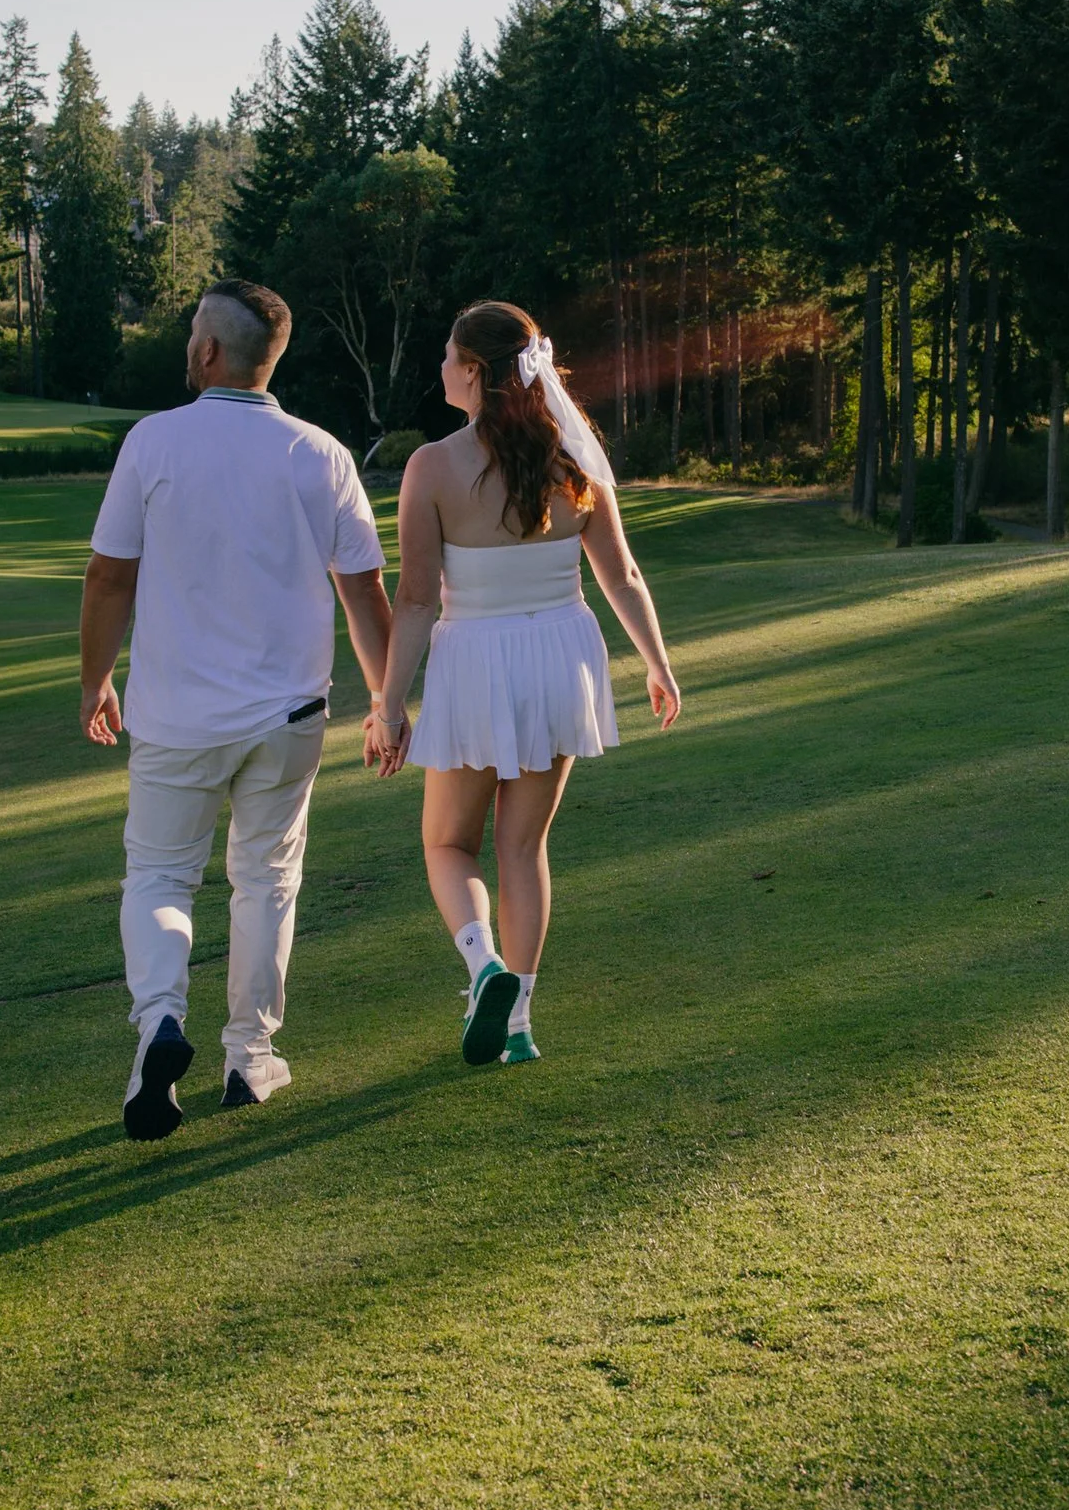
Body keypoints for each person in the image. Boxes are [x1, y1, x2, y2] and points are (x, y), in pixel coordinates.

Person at [81, 280, 392, 1138]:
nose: (189, 343)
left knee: (158, 875)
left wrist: (93, 680)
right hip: (288, 715)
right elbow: (364, 590)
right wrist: (387, 700)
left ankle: (159, 1027)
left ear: (210, 352)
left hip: (176, 715)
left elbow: (110, 575)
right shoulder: (320, 452)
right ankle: (250, 1059)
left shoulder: (153, 442)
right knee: (265, 883)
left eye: (192, 333)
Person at [368, 300, 680, 1066]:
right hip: (559, 658)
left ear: (473, 371)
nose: (440, 367)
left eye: (447, 355)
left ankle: (485, 968)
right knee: (523, 845)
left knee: (447, 842)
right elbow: (623, 576)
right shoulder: (572, 459)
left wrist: (388, 705)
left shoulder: (433, 467)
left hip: (476, 657)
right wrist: (658, 663)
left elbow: (413, 598)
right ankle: (520, 1025)